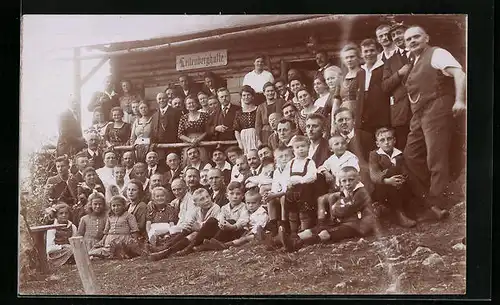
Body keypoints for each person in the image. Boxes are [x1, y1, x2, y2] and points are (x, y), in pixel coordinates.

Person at [403, 25, 466, 220]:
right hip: (419, 115)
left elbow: (459, 73)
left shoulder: (437, 53)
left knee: (435, 159)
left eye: (416, 37)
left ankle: (438, 203)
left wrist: (460, 100)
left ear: (426, 38)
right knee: (410, 155)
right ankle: (433, 196)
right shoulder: (414, 61)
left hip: (437, 108)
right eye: (408, 39)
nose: (412, 41)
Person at [281, 166, 378, 253]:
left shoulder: (361, 193)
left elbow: (342, 210)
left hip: (357, 225)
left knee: (325, 233)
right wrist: (337, 207)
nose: (348, 183)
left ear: (358, 179)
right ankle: (289, 240)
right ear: (340, 182)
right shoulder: (345, 191)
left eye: (351, 180)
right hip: (345, 222)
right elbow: (339, 209)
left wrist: (335, 207)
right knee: (314, 229)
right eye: (344, 181)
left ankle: (298, 244)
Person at [175, 183, 248, 256]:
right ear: (227, 196)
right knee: (212, 220)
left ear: (242, 196)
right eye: (232, 194)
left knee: (231, 221)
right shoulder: (224, 208)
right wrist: (221, 222)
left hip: (236, 232)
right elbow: (220, 217)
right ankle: (192, 246)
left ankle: (205, 245)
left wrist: (233, 226)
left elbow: (244, 220)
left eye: (238, 194)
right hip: (223, 231)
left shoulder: (243, 207)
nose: (235, 197)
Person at [148, 188, 221, 260]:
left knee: (196, 232)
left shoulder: (215, 208)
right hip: (197, 235)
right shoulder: (197, 210)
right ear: (196, 204)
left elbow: (211, 225)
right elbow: (189, 223)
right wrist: (190, 227)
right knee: (185, 231)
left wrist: (197, 227)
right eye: (202, 199)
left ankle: (173, 250)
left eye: (207, 197)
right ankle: (165, 248)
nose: (207, 200)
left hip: (210, 236)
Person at [369, 127, 417, 228]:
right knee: (393, 170)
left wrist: (404, 177)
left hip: (400, 187)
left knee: (411, 176)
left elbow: (405, 171)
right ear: (378, 143)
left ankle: (430, 207)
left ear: (394, 140)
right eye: (382, 140)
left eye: (389, 139)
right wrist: (388, 180)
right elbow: (374, 175)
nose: (386, 142)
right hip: (383, 189)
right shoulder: (375, 155)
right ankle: (399, 215)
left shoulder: (399, 154)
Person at [357, 38, 391, 160]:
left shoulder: (384, 68)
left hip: (380, 115)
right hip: (364, 117)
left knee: (383, 148)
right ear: (361, 54)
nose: (369, 54)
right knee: (367, 150)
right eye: (366, 51)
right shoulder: (360, 72)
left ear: (378, 51)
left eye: (372, 50)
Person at [382, 21, 412, 151]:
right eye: (393, 35)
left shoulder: (417, 53)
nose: (396, 37)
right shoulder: (390, 61)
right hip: (401, 112)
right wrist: (399, 73)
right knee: (404, 148)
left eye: (399, 33)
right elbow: (385, 86)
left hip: (422, 108)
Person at [280, 135, 318, 236]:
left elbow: (313, 176)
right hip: (291, 191)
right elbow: (284, 176)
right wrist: (287, 184)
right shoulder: (291, 163)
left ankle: (303, 230)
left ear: (308, 147)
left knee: (303, 212)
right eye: (297, 147)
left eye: (303, 146)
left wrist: (300, 181)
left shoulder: (310, 162)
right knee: (292, 212)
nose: (300, 149)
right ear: (293, 150)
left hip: (305, 191)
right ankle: (293, 231)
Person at [89, 195, 143, 259]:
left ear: (123, 206)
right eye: (113, 206)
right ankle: (96, 254)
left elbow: (135, 230)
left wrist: (135, 242)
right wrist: (102, 241)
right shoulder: (110, 217)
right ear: (111, 207)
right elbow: (106, 232)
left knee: (110, 251)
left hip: (123, 240)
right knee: (94, 248)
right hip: (109, 240)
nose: (116, 208)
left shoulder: (129, 216)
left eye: (118, 205)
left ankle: (107, 254)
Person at [264, 145, 294, 237]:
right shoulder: (277, 171)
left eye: (286, 156)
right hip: (280, 194)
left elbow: (288, 189)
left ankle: (283, 223)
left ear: (292, 157)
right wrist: (269, 195)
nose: (284, 159)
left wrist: (274, 195)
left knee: (283, 198)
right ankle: (274, 225)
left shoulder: (292, 169)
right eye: (281, 157)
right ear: (276, 159)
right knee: (270, 199)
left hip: (292, 194)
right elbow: (275, 188)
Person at [178, 95, 211, 163]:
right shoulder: (183, 118)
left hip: (202, 143)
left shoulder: (204, 115)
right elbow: (180, 134)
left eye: (193, 102)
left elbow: (208, 130)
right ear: (186, 106)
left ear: (197, 104)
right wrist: (191, 141)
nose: (191, 105)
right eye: (189, 103)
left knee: (203, 161)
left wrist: (198, 140)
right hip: (188, 144)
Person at [150, 92, 183, 157]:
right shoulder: (154, 115)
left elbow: (180, 129)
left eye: (163, 98)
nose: (161, 100)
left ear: (167, 99)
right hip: (159, 148)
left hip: (173, 146)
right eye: (159, 99)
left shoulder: (176, 112)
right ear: (157, 101)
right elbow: (153, 132)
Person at [46, 202, 78, 268]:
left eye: (66, 213)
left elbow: (75, 242)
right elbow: (49, 248)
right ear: (56, 216)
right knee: (71, 250)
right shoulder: (52, 229)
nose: (64, 215)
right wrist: (62, 246)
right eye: (61, 213)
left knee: (77, 250)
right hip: (57, 253)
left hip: (70, 250)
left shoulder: (72, 227)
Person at [233, 86, 260, 154]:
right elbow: (236, 129)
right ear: (241, 97)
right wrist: (240, 142)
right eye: (244, 95)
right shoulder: (239, 112)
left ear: (252, 96)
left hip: (256, 136)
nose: (246, 97)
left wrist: (259, 139)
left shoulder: (258, 109)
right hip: (244, 138)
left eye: (248, 95)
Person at [338, 43, 362, 115]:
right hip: (345, 114)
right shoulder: (341, 78)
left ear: (358, 57)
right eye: (346, 58)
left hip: (360, 112)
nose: (349, 60)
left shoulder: (363, 73)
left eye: (352, 57)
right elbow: (336, 101)